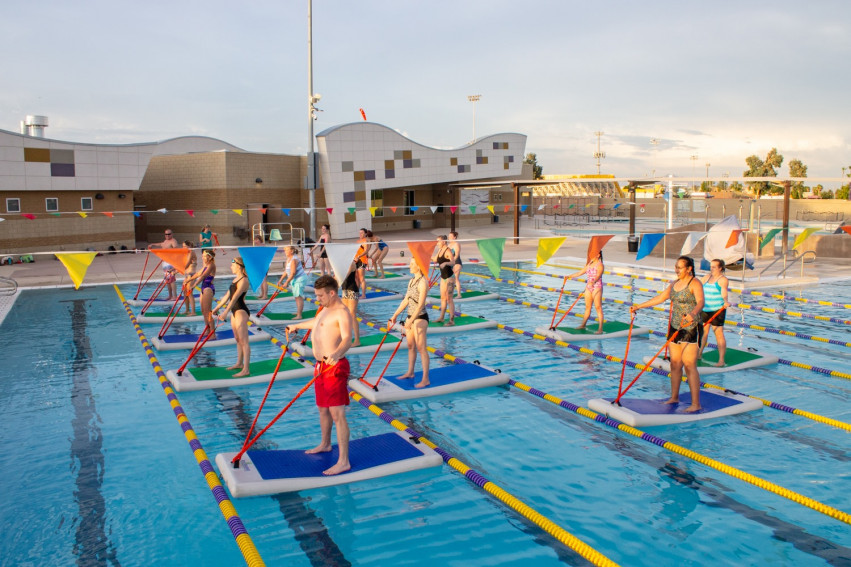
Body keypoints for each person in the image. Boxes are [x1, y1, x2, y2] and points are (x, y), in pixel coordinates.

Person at [284, 275, 354, 476]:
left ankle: (344, 461)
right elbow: (317, 323)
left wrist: (337, 353)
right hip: (320, 367)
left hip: (334, 366)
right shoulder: (325, 308)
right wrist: (297, 326)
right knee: (323, 409)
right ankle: (325, 444)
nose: (318, 299)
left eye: (321, 296)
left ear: (332, 293)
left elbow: (348, 338)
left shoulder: (342, 312)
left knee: (337, 414)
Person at [630, 256, 705, 413]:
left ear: (689, 268)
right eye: (676, 267)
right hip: (674, 327)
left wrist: (692, 313)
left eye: (680, 267)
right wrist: (639, 306)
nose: (677, 270)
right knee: (675, 364)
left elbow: (701, 302)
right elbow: (660, 298)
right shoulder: (674, 284)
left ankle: (696, 404)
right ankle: (674, 397)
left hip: (690, 327)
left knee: (689, 365)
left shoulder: (695, 283)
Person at [388, 258, 430, 388]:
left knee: (421, 348)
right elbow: (406, 300)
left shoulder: (423, 282)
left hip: (420, 318)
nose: (410, 266)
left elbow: (421, 305)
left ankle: (425, 379)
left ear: (419, 266)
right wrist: (395, 315)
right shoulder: (411, 281)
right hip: (410, 317)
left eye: (412, 264)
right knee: (411, 346)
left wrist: (411, 321)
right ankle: (410, 372)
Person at [212, 257, 252, 377]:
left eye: (232, 265)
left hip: (241, 311)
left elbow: (235, 298)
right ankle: (239, 363)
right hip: (234, 312)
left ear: (239, 266)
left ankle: (246, 369)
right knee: (238, 339)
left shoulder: (244, 280)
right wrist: (217, 308)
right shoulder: (235, 279)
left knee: (244, 341)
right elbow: (227, 296)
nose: (231, 267)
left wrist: (225, 312)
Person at [698, 258, 731, 367]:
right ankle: (699, 354)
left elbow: (724, 292)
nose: (711, 269)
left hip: (717, 310)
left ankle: (721, 360)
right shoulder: (706, 277)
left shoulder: (723, 280)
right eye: (710, 266)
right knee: (703, 333)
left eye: (714, 267)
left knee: (718, 334)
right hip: (705, 309)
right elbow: (698, 287)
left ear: (720, 268)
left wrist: (726, 302)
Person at [567, 251, 605, 334]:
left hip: (597, 287)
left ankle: (600, 329)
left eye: (593, 254)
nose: (591, 256)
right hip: (588, 288)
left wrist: (593, 282)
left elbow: (598, 275)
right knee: (588, 307)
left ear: (598, 255)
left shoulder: (600, 265)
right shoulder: (589, 264)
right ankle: (583, 325)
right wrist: (569, 276)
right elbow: (579, 273)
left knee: (598, 307)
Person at [184, 249, 217, 339]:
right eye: (202, 256)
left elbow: (203, 276)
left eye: (204, 256)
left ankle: (213, 334)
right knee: (203, 311)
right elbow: (198, 274)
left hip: (208, 288)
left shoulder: (211, 265)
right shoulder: (206, 265)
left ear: (209, 257)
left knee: (208, 312)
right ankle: (207, 330)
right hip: (203, 288)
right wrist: (188, 280)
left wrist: (194, 285)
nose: (202, 257)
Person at [148, 228, 179, 300]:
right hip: (165, 262)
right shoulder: (165, 241)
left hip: (171, 262)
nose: (167, 235)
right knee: (167, 280)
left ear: (172, 234)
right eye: (166, 234)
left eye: (169, 234)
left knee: (172, 279)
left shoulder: (173, 241)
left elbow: (176, 250)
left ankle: (174, 296)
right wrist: (153, 244)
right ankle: (170, 295)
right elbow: (161, 244)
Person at [277, 245, 306, 319]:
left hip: (299, 278)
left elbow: (293, 273)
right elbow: (286, 271)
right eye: (285, 250)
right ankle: (298, 312)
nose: (285, 252)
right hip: (294, 279)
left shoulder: (294, 260)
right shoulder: (288, 259)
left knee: (298, 296)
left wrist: (286, 282)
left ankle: (299, 315)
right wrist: (280, 280)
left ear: (292, 251)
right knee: (296, 296)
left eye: (286, 250)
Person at [432, 235, 456, 325]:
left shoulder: (448, 250)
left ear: (444, 241)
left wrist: (446, 263)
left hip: (450, 277)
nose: (437, 243)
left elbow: (453, 262)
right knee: (443, 298)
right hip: (443, 277)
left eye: (438, 241)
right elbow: (435, 259)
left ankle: (452, 320)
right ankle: (441, 318)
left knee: (449, 299)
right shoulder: (440, 250)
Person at [340, 264, 361, 346]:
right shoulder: (342, 263)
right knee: (345, 314)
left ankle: (357, 340)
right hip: (344, 289)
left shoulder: (351, 263)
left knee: (352, 314)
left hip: (352, 290)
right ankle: (346, 339)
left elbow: (344, 276)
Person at [182, 240, 198, 315]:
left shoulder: (191, 252)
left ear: (189, 246)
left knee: (189, 293)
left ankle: (193, 312)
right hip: (187, 276)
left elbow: (187, 264)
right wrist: (173, 270)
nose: (183, 248)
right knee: (185, 293)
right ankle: (187, 310)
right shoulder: (187, 253)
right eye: (183, 246)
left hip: (192, 276)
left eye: (185, 246)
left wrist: (177, 270)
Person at [355, 227, 370, 298]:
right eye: (359, 233)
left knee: (361, 278)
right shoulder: (358, 241)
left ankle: (363, 295)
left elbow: (366, 251)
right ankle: (357, 293)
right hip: (356, 260)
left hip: (362, 261)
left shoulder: (365, 241)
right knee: (356, 278)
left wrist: (359, 256)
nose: (360, 234)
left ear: (365, 234)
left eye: (362, 233)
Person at [448, 231, 463, 298]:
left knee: (456, 278)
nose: (449, 238)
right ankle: (450, 293)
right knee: (450, 279)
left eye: (451, 236)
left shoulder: (456, 244)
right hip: (451, 263)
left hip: (457, 263)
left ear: (454, 237)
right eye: (449, 236)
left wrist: (452, 261)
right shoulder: (449, 245)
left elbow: (456, 255)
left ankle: (459, 294)